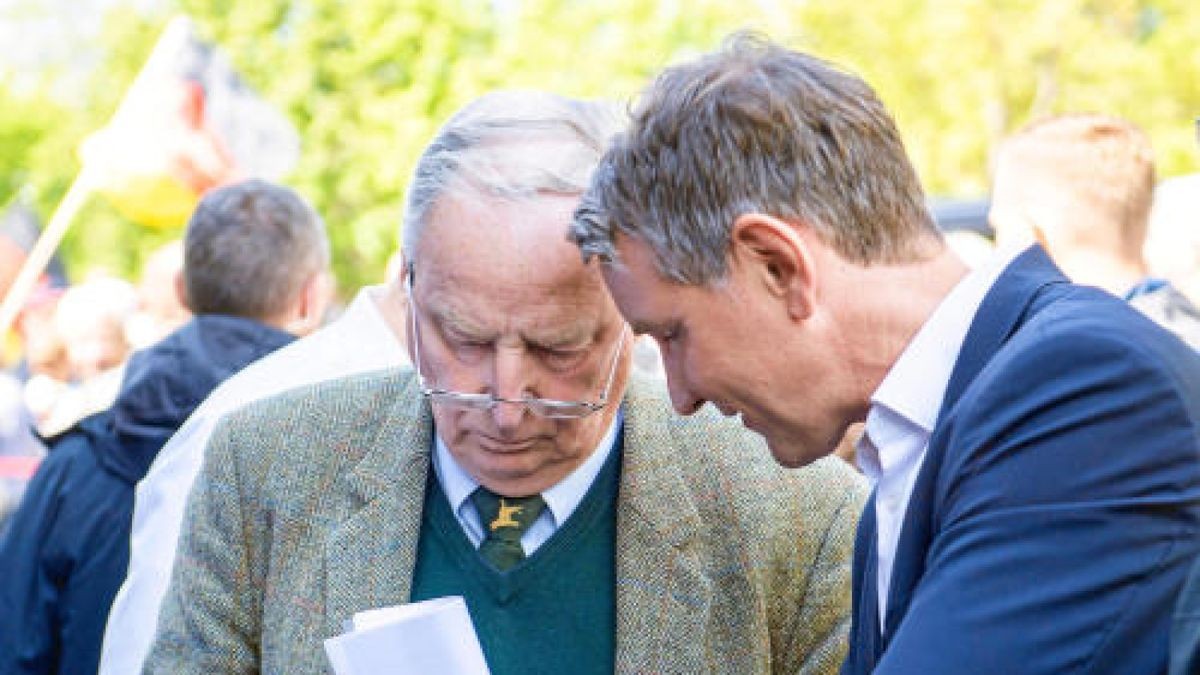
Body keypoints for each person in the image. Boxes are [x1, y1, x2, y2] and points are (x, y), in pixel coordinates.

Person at [139, 91, 865, 675]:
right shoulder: (264, 466)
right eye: (464, 339)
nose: (507, 405)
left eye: (559, 348)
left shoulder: (795, 516)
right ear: (408, 290)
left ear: (636, 313)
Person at [569, 34, 1200, 674]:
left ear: (778, 264)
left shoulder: (1084, 390)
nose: (680, 395)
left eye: (674, 334)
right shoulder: (915, 453)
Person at [0, 179, 332, 675]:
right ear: (311, 297)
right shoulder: (353, 469)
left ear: (182, 290)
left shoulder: (76, 469)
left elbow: (14, 646)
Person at [990, 113, 1200, 348]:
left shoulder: (1082, 356)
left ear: (1035, 235)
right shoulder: (1178, 327)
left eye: (1000, 228)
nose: (997, 250)